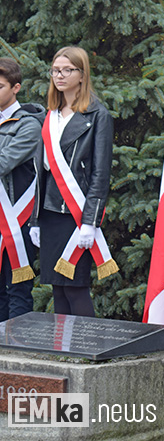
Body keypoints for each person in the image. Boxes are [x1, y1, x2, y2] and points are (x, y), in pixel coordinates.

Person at [29, 46, 116, 317]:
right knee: (57, 287)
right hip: (50, 213)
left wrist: (90, 221)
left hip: (76, 215)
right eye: (56, 70)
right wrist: (35, 219)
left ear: (82, 74)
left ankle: (86, 352)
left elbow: (100, 174)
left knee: (75, 287)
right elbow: (41, 172)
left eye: (68, 70)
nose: (60, 75)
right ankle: (65, 352)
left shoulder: (97, 115)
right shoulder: (51, 113)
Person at [0, 57, 45, 320]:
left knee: (18, 288)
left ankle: (16, 353)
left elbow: (4, 162)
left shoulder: (28, 123)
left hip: (18, 219)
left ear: (16, 88)